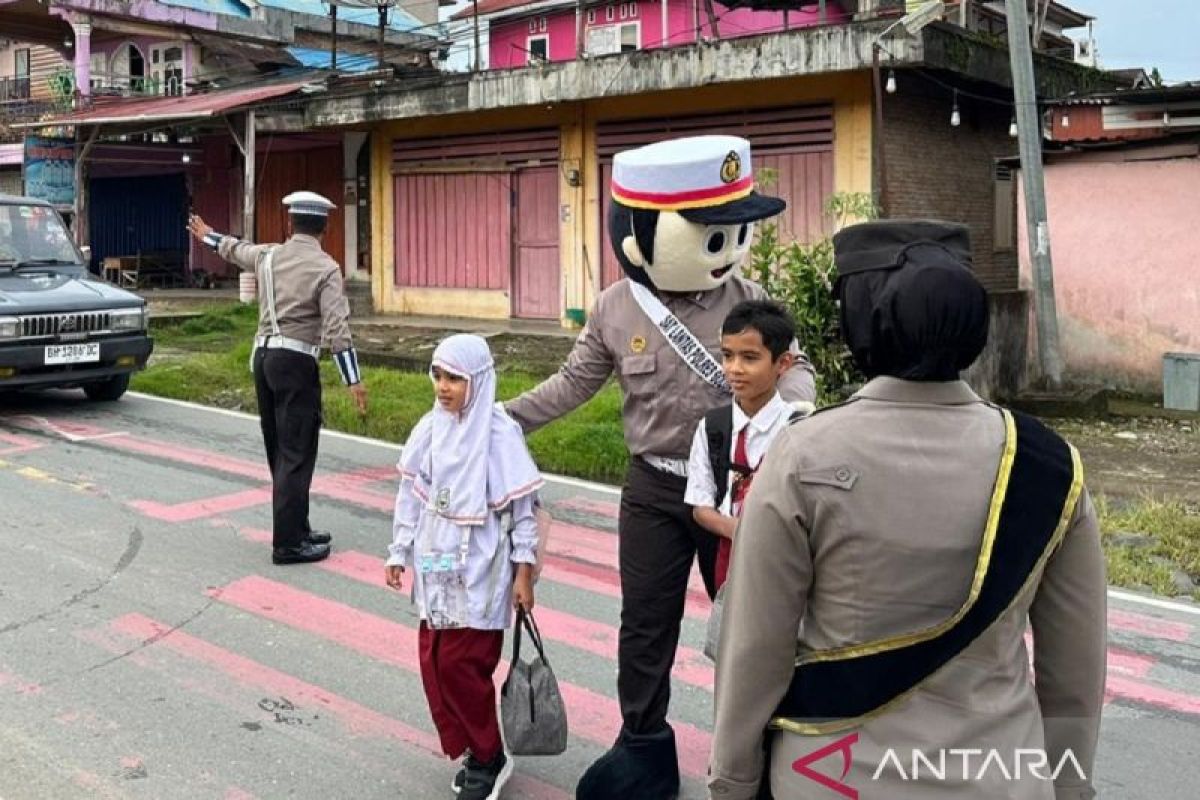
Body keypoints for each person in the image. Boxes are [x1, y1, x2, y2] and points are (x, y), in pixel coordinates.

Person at [708, 220, 1107, 799]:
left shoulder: (802, 453)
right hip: (1000, 779)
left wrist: (733, 782)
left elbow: (754, 650)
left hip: (830, 776)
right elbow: (1074, 671)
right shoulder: (1050, 467)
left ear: (861, 323)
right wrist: (1069, 788)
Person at [505, 135, 816, 799]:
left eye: (732, 235)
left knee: (749, 626)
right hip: (652, 488)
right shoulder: (617, 308)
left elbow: (798, 369)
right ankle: (644, 746)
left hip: (732, 491)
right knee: (646, 626)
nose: (728, 250)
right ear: (642, 235)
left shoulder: (747, 294)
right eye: (711, 235)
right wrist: (499, 419)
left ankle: (756, 752)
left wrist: (791, 416)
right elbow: (572, 383)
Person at [384, 334, 542, 800]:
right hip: (436, 563)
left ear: (478, 380)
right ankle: (474, 747)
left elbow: (522, 510)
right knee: (434, 660)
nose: (444, 387)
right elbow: (411, 495)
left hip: (482, 566)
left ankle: (491, 755)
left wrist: (524, 571)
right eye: (438, 375)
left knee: (462, 663)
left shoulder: (498, 433)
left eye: (455, 377)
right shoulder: (431, 428)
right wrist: (399, 551)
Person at [187, 192, 368, 565]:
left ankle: (297, 527)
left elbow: (234, 249)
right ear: (325, 227)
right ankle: (288, 544)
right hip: (296, 362)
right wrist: (353, 380)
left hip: (263, 359)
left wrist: (206, 235)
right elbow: (337, 329)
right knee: (297, 452)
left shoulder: (269, 256)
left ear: (290, 224)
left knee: (279, 450)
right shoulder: (326, 269)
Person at [684, 299, 798, 593]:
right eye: (727, 355)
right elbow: (700, 506)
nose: (734, 368)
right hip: (726, 565)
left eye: (750, 358)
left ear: (782, 363)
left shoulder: (798, 427)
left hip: (783, 569)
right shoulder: (713, 428)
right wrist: (741, 532)